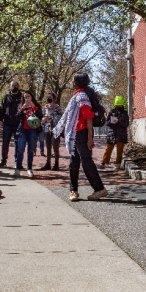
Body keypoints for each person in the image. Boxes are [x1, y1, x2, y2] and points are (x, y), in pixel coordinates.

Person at [53, 73, 108, 201]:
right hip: (76, 134)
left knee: (86, 162)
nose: (71, 81)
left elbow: (88, 117)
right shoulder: (78, 95)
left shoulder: (81, 96)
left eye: (73, 80)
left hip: (82, 133)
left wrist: (90, 138)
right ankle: (73, 191)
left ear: (77, 82)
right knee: (74, 162)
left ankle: (99, 189)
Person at [13, 90, 43, 177]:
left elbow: (40, 116)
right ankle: (18, 168)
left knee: (31, 150)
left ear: (32, 97)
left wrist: (34, 108)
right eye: (25, 97)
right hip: (23, 130)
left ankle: (29, 168)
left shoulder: (36, 106)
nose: (27, 99)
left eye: (28, 97)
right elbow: (16, 117)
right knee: (20, 149)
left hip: (33, 130)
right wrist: (22, 108)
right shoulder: (21, 106)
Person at [99, 96, 129, 170]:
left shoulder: (125, 113)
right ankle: (103, 162)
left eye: (119, 105)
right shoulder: (112, 112)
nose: (118, 106)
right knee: (108, 148)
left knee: (120, 149)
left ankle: (118, 164)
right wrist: (110, 122)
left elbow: (126, 124)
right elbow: (107, 122)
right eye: (117, 105)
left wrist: (119, 122)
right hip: (112, 133)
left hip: (121, 134)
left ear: (122, 105)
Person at [0, 81, 23, 168]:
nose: (14, 87)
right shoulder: (6, 97)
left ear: (18, 87)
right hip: (7, 123)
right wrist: (0, 119)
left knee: (18, 143)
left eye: (16, 85)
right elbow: (1, 109)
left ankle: (17, 162)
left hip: (18, 124)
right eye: (12, 85)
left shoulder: (21, 97)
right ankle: (3, 160)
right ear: (9, 87)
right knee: (5, 143)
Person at [39, 92, 62, 171]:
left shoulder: (57, 107)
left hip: (55, 129)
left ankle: (56, 164)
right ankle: (48, 163)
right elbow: (42, 119)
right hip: (47, 128)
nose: (48, 98)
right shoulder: (45, 108)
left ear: (54, 98)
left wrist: (53, 116)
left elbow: (61, 118)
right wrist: (44, 119)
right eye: (47, 97)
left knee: (55, 146)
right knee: (48, 146)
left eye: (50, 97)